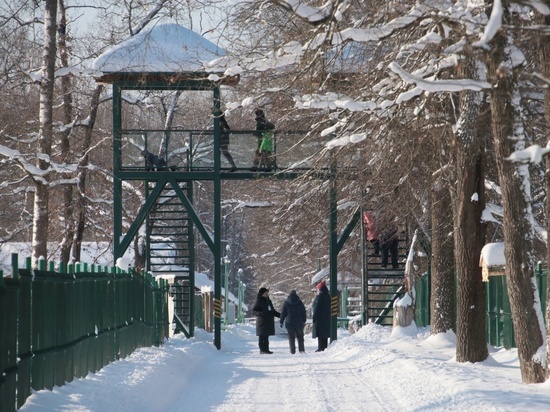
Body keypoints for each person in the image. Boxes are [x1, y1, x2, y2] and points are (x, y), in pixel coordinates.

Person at [252, 287, 280, 354]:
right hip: (262, 322)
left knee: (266, 336)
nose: (267, 294)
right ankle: (262, 350)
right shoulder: (259, 301)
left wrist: (281, 315)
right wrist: (261, 314)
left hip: (268, 322)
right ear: (262, 293)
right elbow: (254, 311)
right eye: (266, 293)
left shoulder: (268, 301)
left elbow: (272, 311)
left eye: (267, 293)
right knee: (262, 336)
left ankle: (266, 349)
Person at [279, 289, 307, 354]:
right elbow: (303, 312)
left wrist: (281, 321)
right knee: (300, 337)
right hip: (299, 322)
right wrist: (304, 320)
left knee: (291, 338)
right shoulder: (300, 302)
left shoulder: (286, 303)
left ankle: (292, 351)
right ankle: (302, 350)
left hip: (289, 323)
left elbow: (283, 313)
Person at [312, 281, 331, 352]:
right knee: (324, 334)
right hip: (327, 317)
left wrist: (314, 317)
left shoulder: (320, 296)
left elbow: (318, 308)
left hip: (320, 318)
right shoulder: (328, 296)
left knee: (320, 334)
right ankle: (324, 347)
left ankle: (321, 347)